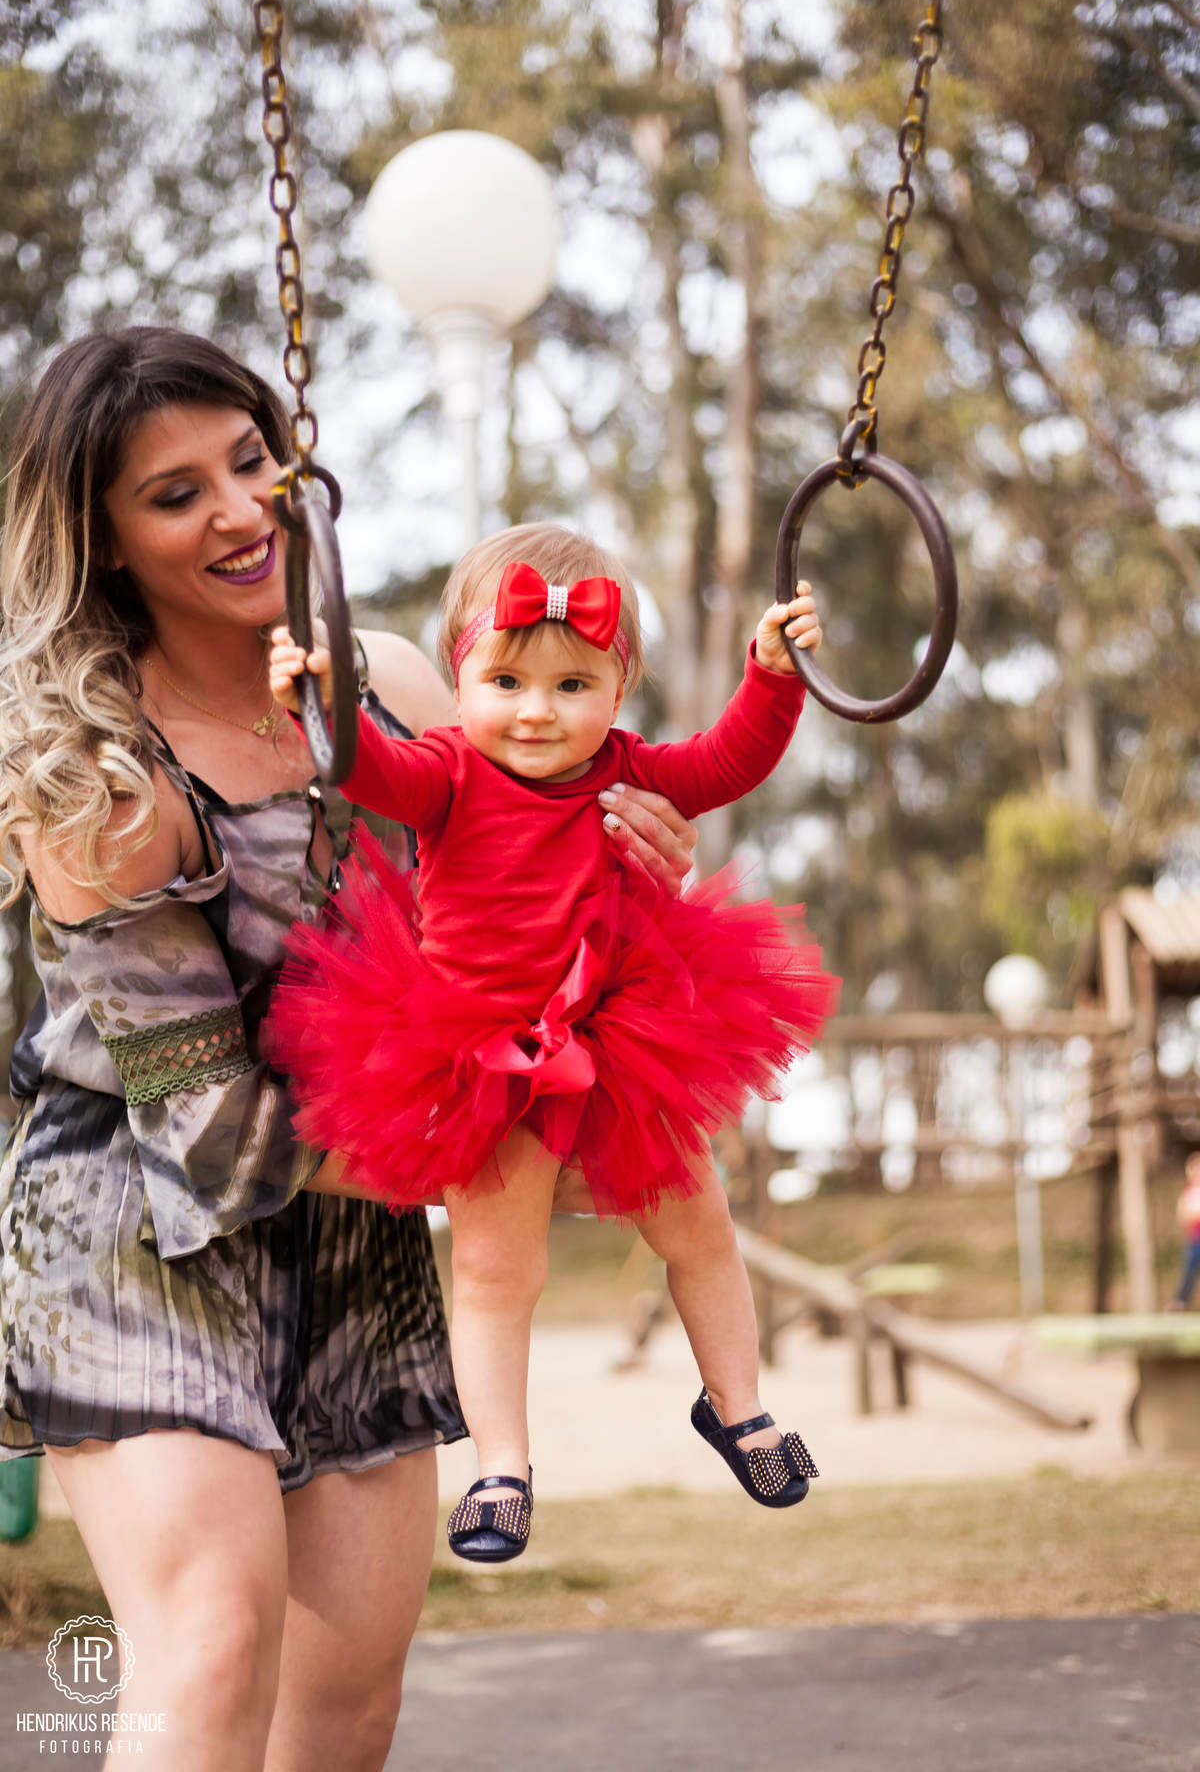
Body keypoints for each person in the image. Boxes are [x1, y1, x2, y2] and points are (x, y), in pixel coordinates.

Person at [0, 326, 699, 1772]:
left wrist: (631, 880)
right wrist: (513, 1160)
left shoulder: (391, 683)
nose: (244, 510)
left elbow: (525, 919)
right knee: (210, 1646)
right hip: (142, 1226)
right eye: (175, 492)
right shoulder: (94, 772)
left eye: (251, 461)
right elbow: (204, 1126)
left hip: (363, 1236)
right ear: (106, 540)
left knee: (345, 1707)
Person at [266, 525, 839, 1565]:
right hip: (482, 1053)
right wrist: (317, 701)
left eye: (574, 684)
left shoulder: (626, 768)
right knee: (495, 1267)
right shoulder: (443, 773)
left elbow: (726, 760)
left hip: (616, 1036)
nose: (537, 710)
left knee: (699, 1223)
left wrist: (770, 676)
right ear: (460, 676)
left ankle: (740, 1404)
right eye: (507, 679)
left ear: (619, 691)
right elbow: (365, 770)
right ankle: (502, 1467)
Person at [1166, 1152, 1200, 1311]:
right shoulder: (1188, 1192)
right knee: (1188, 1272)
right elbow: (1183, 1215)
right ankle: (1180, 1303)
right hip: (1195, 1240)